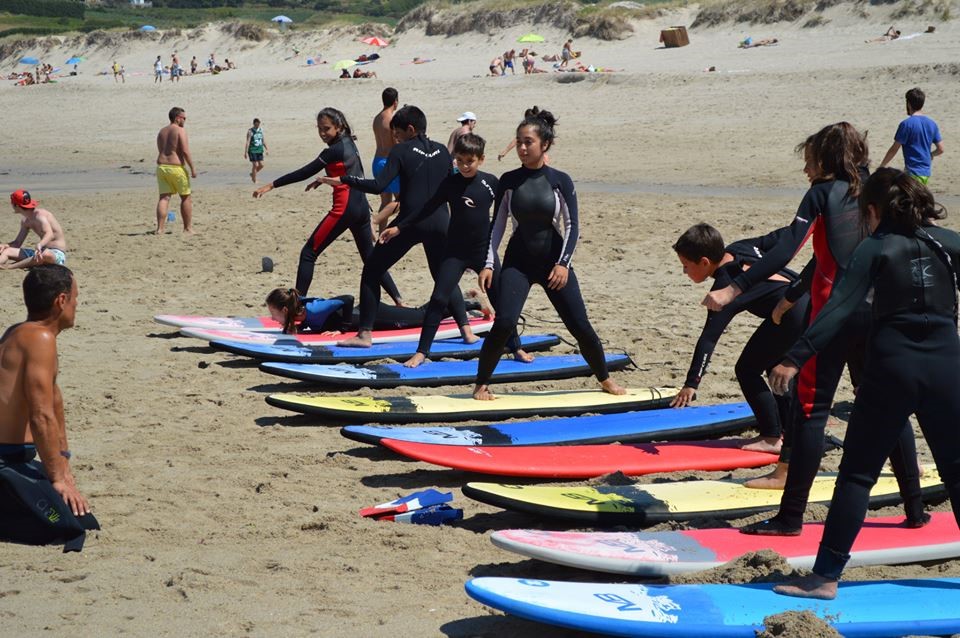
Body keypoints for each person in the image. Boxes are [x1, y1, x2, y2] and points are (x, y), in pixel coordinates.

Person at [704, 122, 926, 531]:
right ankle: (915, 509)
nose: (806, 170)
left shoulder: (821, 193)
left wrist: (733, 289)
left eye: (809, 161)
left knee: (811, 413)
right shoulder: (878, 188)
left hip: (834, 319)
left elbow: (788, 246)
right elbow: (836, 255)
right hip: (881, 315)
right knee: (886, 407)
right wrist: (792, 294)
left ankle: (790, 519)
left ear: (825, 160)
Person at [772, 168, 960, 600]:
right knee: (957, 473)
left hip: (892, 369)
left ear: (873, 210)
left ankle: (824, 578)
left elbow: (837, 310)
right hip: (948, 368)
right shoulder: (950, 243)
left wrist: (794, 357)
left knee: (857, 475)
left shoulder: (874, 248)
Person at [472, 108, 625, 400]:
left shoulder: (560, 181)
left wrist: (563, 264)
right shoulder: (509, 181)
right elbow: (497, 227)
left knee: (579, 325)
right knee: (504, 322)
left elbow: (572, 225)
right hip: (519, 263)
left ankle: (604, 378)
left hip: (554, 263)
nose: (522, 147)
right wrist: (489, 264)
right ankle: (481, 383)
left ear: (545, 144)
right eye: (518, 141)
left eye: (528, 142)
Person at [318, 105, 475, 348]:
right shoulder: (443, 151)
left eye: (397, 134)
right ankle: (466, 331)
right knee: (443, 276)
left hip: (410, 224)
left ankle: (364, 335)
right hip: (441, 222)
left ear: (410, 129)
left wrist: (344, 180)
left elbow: (380, 185)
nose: (396, 139)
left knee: (372, 270)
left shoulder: (401, 150)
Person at [378, 133, 531, 368]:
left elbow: (508, 212)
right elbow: (426, 209)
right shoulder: (450, 184)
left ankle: (516, 347)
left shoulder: (491, 183)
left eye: (469, 161)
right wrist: (398, 227)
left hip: (483, 252)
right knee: (439, 298)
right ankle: (421, 352)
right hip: (455, 252)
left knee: (501, 301)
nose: (464, 166)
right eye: (459, 160)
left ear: (481, 159)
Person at [671, 223, 809, 454]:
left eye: (686, 266)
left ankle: (771, 437)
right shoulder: (741, 247)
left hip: (792, 315)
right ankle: (789, 430)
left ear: (704, 262)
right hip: (808, 300)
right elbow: (781, 235)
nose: (684, 272)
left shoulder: (725, 288)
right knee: (775, 365)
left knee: (747, 369)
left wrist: (691, 382)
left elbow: (708, 339)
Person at [253, 108, 401, 303]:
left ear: (338, 127)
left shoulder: (333, 150)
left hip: (344, 208)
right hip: (361, 208)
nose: (323, 133)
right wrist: (325, 179)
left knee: (308, 253)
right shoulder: (349, 142)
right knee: (370, 258)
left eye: (327, 129)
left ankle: (297, 306)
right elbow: (354, 171)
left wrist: (272, 185)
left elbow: (305, 171)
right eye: (319, 129)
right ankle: (399, 299)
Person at [0, 265, 100, 551]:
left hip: (18, 458)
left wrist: (63, 465)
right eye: (76, 298)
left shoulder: (21, 332)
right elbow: (40, 415)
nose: (77, 304)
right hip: (5, 460)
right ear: (61, 300)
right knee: (66, 527)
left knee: (84, 519)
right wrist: (57, 480)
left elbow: (54, 403)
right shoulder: (39, 339)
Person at [265, 287, 487, 335]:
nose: (272, 318)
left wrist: (341, 330)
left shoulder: (313, 308)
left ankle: (470, 304)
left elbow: (347, 299)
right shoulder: (299, 313)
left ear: (286, 309)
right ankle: (459, 297)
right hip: (369, 314)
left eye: (274, 313)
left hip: (378, 315)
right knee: (420, 313)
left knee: (421, 317)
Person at [878, 87, 944, 185]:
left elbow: (894, 149)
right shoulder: (932, 124)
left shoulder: (906, 124)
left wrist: (882, 166)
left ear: (908, 104)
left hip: (912, 173)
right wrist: (931, 155)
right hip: (926, 173)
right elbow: (941, 149)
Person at [1, 190, 68, 269]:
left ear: (17, 205)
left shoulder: (40, 215)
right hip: (39, 253)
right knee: (7, 251)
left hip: (55, 254)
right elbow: (17, 243)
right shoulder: (25, 220)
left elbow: (49, 234)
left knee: (45, 254)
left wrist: (40, 244)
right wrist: (5, 245)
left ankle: (10, 266)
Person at [155, 106, 197, 235]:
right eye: (184, 118)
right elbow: (185, 151)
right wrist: (192, 168)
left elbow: (161, 149)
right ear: (177, 118)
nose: (185, 120)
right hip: (176, 168)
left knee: (164, 198)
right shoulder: (180, 130)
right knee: (185, 197)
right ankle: (187, 228)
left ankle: (160, 229)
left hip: (161, 167)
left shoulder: (162, 131)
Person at [372, 88, 401, 215]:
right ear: (395, 102)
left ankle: (381, 231)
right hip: (388, 163)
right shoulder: (392, 120)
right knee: (401, 199)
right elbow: (395, 144)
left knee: (385, 202)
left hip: (377, 161)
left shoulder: (377, 118)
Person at [245, 118, 268, 183]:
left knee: (261, 165)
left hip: (259, 150)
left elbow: (263, 140)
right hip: (252, 150)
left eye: (258, 124)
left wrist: (267, 149)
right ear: (254, 124)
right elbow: (248, 142)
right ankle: (254, 180)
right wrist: (246, 152)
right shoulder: (250, 131)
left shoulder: (261, 130)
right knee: (255, 165)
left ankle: (252, 174)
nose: (257, 125)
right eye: (256, 124)